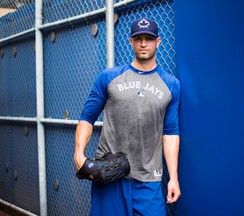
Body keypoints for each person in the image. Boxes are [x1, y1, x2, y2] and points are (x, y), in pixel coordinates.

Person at [74, 17, 181, 216]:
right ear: (130, 41)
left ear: (158, 42)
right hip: (110, 175)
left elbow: (170, 132)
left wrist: (173, 177)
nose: (143, 43)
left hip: (149, 179)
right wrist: (78, 153)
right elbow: (87, 117)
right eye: (138, 38)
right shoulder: (108, 77)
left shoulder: (171, 84)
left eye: (148, 38)